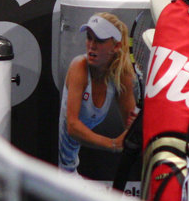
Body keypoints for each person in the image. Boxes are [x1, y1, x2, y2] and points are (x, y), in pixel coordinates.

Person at [58, 13, 138, 174]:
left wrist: (136, 126)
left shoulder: (121, 76)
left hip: (69, 168)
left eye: (100, 40)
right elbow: (72, 126)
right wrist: (113, 144)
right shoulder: (79, 66)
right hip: (53, 170)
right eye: (89, 38)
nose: (91, 46)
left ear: (115, 46)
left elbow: (131, 128)